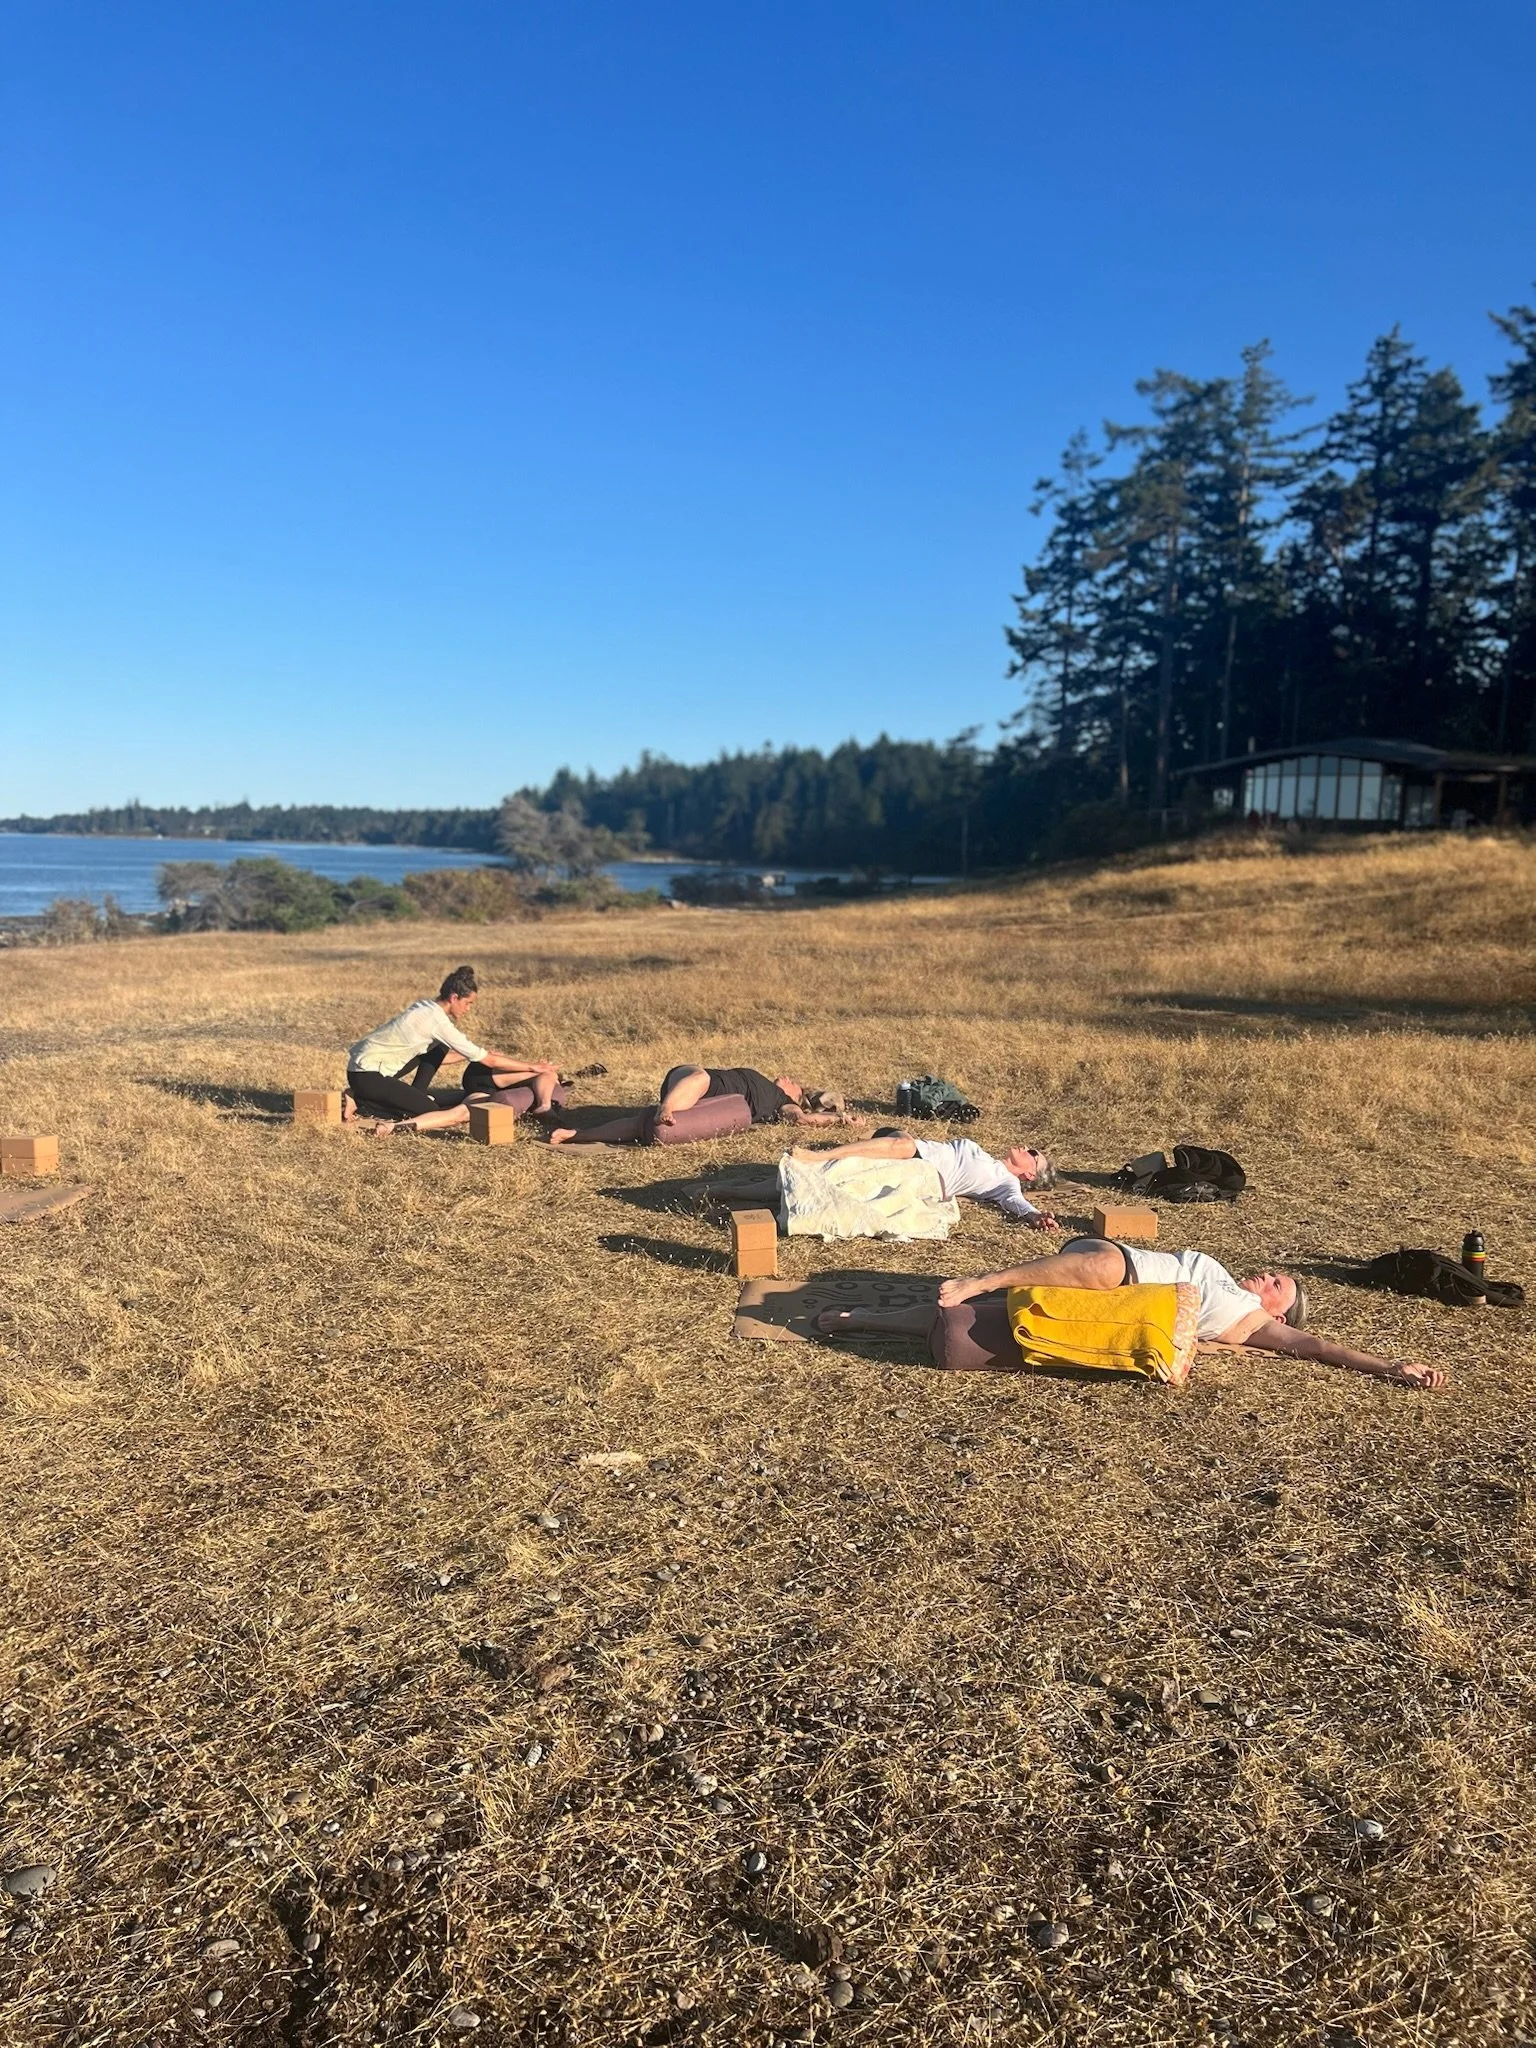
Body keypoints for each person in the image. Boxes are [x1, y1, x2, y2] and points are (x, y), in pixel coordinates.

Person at [814, 1234, 1449, 1388]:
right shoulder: (1223, 1278)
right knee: (1098, 1268)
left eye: (1278, 1283)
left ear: (1281, 1309)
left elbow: (1316, 1349)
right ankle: (980, 1280)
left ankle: (866, 1318)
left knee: (992, 1313)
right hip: (1111, 1262)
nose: (1268, 1277)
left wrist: (1390, 1365)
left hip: (1112, 1288)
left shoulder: (1249, 1321)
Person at [346, 965, 562, 1137]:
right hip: (367, 1076)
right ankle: (361, 1101)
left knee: (438, 1047)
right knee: (430, 1111)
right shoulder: (438, 1022)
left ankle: (414, 1093)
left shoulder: (425, 1007)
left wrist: (468, 1055)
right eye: (468, 1003)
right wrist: (533, 1066)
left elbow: (435, 1057)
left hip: (365, 1069)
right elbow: (490, 1062)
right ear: (454, 998)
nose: (468, 1009)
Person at [790, 1130, 1061, 1228]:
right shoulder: (987, 1157)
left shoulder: (1006, 1183)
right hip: (917, 1148)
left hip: (919, 1165)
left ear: (1030, 1174)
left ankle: (819, 1156)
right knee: (898, 1140)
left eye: (1033, 1153)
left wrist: (1035, 1216)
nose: (1026, 1147)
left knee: (901, 1146)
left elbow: (1018, 1203)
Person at [548, 1064, 863, 1147]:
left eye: (796, 1083)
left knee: (644, 1124)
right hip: (694, 1079)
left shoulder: (783, 1104)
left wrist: (839, 1121)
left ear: (797, 1097)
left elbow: (805, 1121)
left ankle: (575, 1134)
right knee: (698, 1076)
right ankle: (668, 1106)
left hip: (703, 1101)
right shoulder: (764, 1084)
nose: (788, 1078)